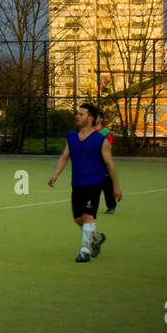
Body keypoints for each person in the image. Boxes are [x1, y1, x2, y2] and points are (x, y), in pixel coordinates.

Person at [48, 102, 121, 263]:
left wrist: (116, 186)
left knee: (88, 216)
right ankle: (96, 237)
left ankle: (85, 250)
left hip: (94, 183)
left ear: (90, 118)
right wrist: (56, 174)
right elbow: (64, 157)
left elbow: (110, 164)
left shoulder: (101, 140)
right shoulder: (72, 136)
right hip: (77, 184)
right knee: (78, 219)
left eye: (81, 114)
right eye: (77, 113)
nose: (77, 116)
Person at [95, 112, 116, 214]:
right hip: (90, 162)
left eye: (97, 116)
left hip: (102, 163)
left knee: (107, 186)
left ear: (101, 119)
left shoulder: (105, 132)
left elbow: (109, 147)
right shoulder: (88, 131)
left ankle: (111, 206)